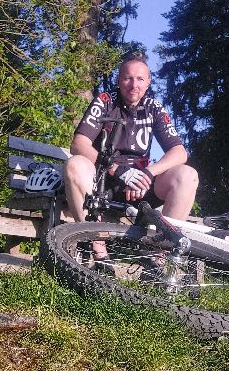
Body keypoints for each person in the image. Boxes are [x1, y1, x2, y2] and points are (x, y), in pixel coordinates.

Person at [63, 55, 198, 260]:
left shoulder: (153, 107)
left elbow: (179, 152)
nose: (134, 85)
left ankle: (160, 259)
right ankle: (96, 250)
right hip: (104, 181)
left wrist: (147, 174)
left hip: (140, 186)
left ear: (148, 82)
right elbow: (78, 144)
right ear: (119, 80)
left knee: (187, 175)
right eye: (128, 78)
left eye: (140, 79)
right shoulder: (105, 101)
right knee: (75, 165)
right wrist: (118, 171)